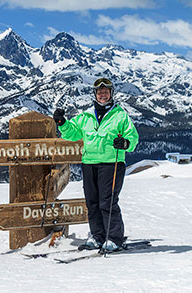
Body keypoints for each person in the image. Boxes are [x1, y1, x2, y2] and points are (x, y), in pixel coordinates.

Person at [53, 77, 139, 251]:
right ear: (95, 94)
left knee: (107, 202)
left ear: (111, 93)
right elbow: (72, 133)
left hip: (111, 163)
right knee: (92, 202)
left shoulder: (120, 115)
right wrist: (62, 122)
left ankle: (114, 238)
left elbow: (133, 137)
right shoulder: (87, 116)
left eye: (106, 92)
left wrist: (126, 143)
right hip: (89, 163)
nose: (103, 95)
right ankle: (97, 236)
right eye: (100, 92)